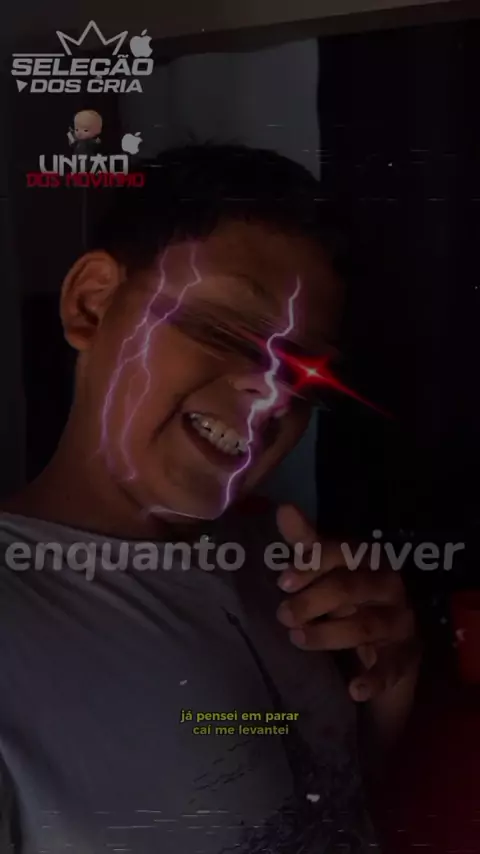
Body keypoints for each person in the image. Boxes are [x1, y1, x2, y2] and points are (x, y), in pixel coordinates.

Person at [0, 144, 418, 853]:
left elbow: (318, 810)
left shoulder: (287, 573)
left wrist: (389, 682)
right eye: (227, 330)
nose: (274, 393)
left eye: (303, 375)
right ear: (92, 304)